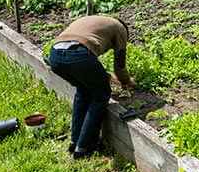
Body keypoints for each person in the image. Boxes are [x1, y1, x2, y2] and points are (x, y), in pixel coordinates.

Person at [48, 15, 135, 159]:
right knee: (101, 94)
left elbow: (87, 70)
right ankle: (85, 147)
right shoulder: (121, 29)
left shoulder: (96, 21)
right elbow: (119, 67)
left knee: (83, 92)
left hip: (55, 56)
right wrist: (127, 82)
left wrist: (104, 76)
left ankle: (75, 142)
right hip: (78, 54)